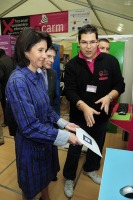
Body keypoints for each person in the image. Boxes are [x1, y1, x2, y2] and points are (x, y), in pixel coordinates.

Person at [5, 27, 81, 200]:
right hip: (30, 147)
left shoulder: (39, 74)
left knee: (46, 178)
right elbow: (29, 126)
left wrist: (64, 123)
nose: (45, 55)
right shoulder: (18, 82)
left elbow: (47, 108)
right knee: (30, 187)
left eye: (46, 50)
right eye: (40, 50)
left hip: (46, 140)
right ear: (25, 51)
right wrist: (65, 136)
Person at [63, 24, 125, 198]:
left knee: (96, 144)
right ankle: (69, 177)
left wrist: (109, 97)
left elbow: (120, 85)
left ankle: (90, 169)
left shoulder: (110, 61)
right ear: (78, 43)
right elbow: (70, 91)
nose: (88, 46)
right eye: (84, 42)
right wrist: (84, 107)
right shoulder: (72, 65)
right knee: (75, 147)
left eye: (92, 42)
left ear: (97, 42)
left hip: (101, 116)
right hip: (79, 116)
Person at [37, 45, 59, 182]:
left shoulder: (53, 73)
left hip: (50, 119)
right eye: (49, 56)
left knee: (52, 148)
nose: (51, 60)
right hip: (36, 123)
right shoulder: (29, 75)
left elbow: (54, 98)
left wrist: (58, 121)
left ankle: (52, 173)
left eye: (53, 57)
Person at [0, 48, 15, 127]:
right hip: (12, 84)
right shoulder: (10, 59)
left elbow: (1, 76)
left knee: (5, 104)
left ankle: (6, 121)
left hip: (4, 86)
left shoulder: (0, 61)